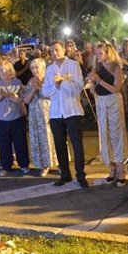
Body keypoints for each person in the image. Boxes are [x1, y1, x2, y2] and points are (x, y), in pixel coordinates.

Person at [41, 40, 88, 188]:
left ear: (63, 50)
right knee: (60, 144)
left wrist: (64, 82)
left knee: (77, 144)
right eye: (52, 51)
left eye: (57, 50)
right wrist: (56, 86)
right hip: (56, 112)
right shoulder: (49, 69)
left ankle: (80, 175)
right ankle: (65, 174)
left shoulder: (73, 65)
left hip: (72, 110)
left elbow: (78, 87)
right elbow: (45, 91)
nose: (54, 53)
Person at [88, 42, 128, 186]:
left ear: (108, 53)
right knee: (104, 135)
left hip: (113, 101)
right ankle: (111, 168)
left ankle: (121, 169)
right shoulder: (96, 68)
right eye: (96, 53)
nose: (97, 56)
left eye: (100, 53)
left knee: (116, 134)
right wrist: (92, 82)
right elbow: (93, 91)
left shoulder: (116, 67)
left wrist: (100, 80)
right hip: (100, 102)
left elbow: (116, 88)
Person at [0, 60, 30, 176]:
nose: (4, 72)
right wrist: (1, 96)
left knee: (20, 142)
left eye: (6, 70)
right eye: (1, 70)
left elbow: (23, 98)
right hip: (0, 119)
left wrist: (11, 97)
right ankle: (6, 166)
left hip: (17, 117)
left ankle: (24, 165)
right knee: (4, 144)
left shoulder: (17, 82)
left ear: (11, 71)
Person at [22, 58, 58, 176]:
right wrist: (33, 89)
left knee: (53, 137)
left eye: (37, 67)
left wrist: (41, 88)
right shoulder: (31, 81)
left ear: (43, 68)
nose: (34, 70)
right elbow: (26, 100)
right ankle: (44, 165)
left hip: (49, 112)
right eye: (32, 68)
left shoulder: (49, 79)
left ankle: (59, 163)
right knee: (39, 138)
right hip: (35, 114)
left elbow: (53, 95)